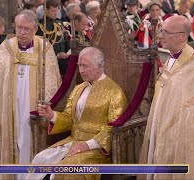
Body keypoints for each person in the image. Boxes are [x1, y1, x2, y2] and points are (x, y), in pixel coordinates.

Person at [26, 47, 127, 180]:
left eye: (85, 66)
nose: (81, 71)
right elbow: (69, 119)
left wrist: (88, 144)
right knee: (40, 160)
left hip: (96, 149)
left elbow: (113, 128)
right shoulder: (79, 88)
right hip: (72, 141)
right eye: (79, 66)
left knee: (67, 171)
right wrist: (52, 115)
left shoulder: (115, 92)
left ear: (100, 66)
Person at [0, 10, 61, 179]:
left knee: (27, 139)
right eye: (19, 28)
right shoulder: (7, 46)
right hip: (10, 101)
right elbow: (0, 79)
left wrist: (46, 101)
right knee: (13, 136)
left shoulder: (44, 47)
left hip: (33, 104)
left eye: (26, 29)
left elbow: (51, 78)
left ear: (35, 29)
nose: (22, 33)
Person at [138, 16, 194, 180]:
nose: (160, 36)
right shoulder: (172, 57)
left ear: (182, 36)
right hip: (160, 124)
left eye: (166, 32)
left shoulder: (193, 69)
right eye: (162, 30)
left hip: (178, 136)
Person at [36, 0, 70, 77]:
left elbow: (66, 41)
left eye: (57, 10)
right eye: (53, 11)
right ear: (46, 10)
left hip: (63, 58)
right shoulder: (40, 27)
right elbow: (40, 48)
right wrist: (57, 55)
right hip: (50, 61)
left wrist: (69, 52)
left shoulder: (58, 23)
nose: (55, 13)